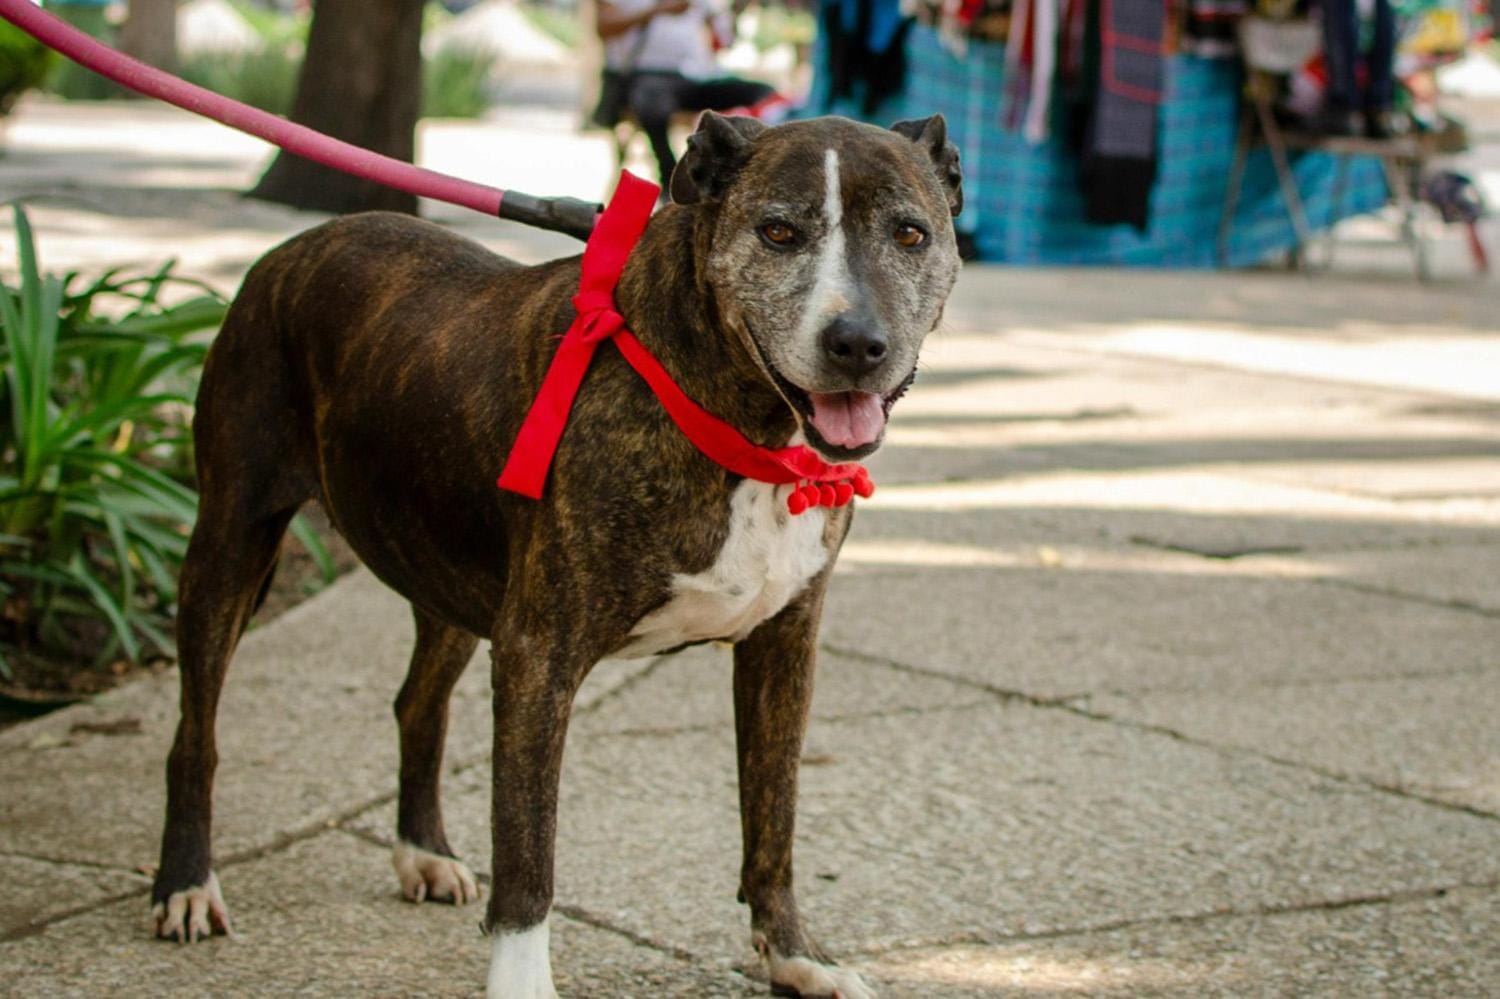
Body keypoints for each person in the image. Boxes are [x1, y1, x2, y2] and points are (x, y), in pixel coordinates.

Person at [596, 0, 775, 187]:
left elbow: (725, 40)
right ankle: (669, 174)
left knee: (763, 93)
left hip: (695, 77)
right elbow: (604, 28)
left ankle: (746, 170)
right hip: (645, 76)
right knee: (652, 104)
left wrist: (730, 15)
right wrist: (657, 10)